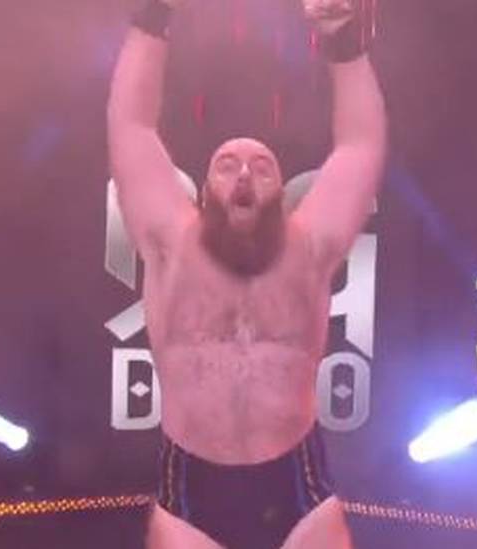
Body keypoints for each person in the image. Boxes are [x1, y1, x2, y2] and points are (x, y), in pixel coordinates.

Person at [107, 0, 387, 546]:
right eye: (226, 165)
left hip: (297, 484)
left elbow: (360, 146)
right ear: (203, 191)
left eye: (262, 168)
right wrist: (153, 16)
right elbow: (131, 125)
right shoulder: (170, 242)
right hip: (190, 490)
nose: (243, 174)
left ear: (282, 194)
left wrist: (343, 43)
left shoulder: (310, 248)